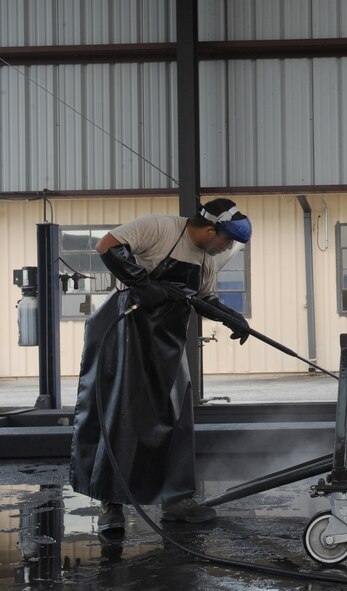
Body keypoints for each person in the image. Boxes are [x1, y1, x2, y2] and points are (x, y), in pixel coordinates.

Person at [69, 198, 252, 536]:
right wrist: (145, 284)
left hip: (166, 342)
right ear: (210, 230)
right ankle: (111, 504)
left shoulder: (206, 260)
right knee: (121, 415)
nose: (227, 248)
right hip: (126, 331)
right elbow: (106, 245)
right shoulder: (159, 228)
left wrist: (230, 317)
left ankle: (175, 500)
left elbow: (203, 299)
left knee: (176, 414)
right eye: (227, 241)